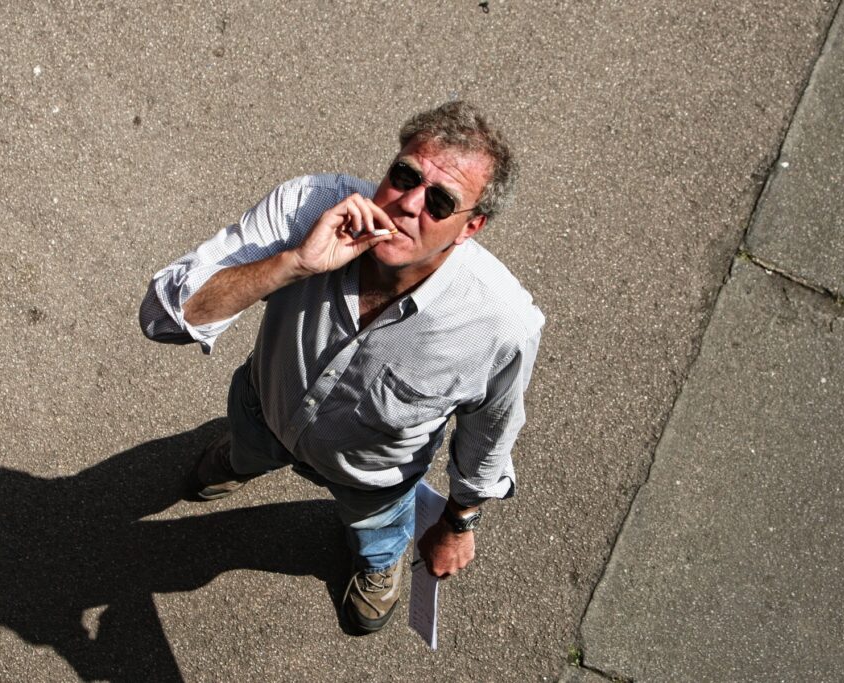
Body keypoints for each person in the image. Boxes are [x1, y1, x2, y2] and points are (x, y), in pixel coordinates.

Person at [139, 101, 543, 634]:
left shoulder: (500, 324)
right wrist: (293, 264)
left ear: (471, 227)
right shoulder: (309, 207)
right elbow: (164, 318)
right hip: (265, 408)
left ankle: (377, 564)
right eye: (405, 175)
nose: (408, 204)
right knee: (247, 446)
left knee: (377, 533)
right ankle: (241, 461)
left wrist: (457, 523)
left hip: (373, 478)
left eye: (441, 201)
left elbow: (488, 437)